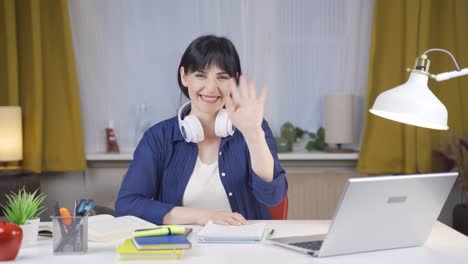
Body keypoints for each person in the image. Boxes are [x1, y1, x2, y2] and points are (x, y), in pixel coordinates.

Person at [115, 35, 287, 225]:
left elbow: (273, 197)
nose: (211, 88)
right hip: (181, 249)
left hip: (246, 246)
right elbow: (127, 205)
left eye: (222, 77)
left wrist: (253, 134)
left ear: (235, 80)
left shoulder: (253, 126)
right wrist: (204, 216)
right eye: (200, 75)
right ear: (184, 76)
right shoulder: (159, 138)